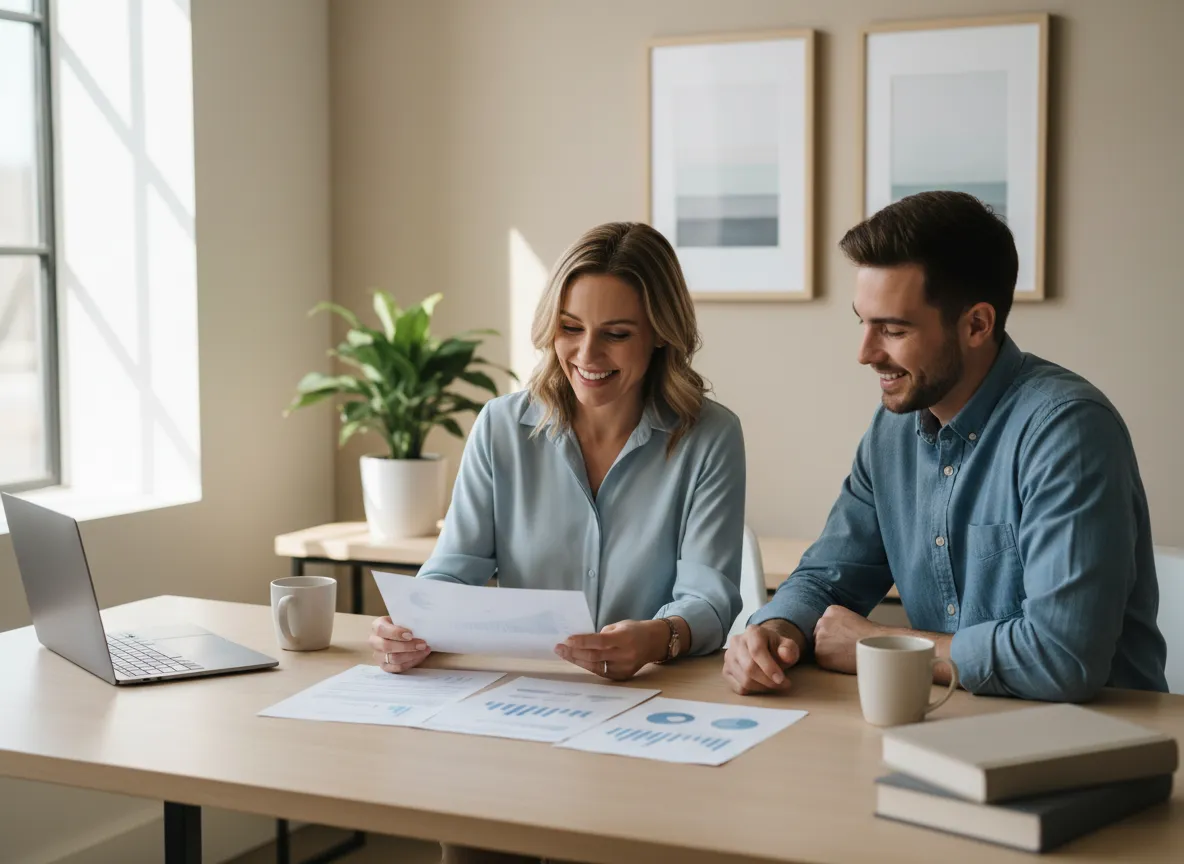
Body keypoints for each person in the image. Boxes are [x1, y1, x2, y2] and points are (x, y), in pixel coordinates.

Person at [724, 191, 1168, 703]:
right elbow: (828, 577)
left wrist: (882, 645)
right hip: (957, 724)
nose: (865, 353)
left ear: (977, 324)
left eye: (893, 329)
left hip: (1101, 745)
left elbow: (1062, 659)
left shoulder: (1068, 433)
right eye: (862, 322)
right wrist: (775, 631)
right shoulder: (893, 431)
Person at [368, 220, 745, 680]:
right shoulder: (500, 427)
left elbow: (709, 599)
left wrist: (656, 637)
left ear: (661, 333)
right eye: (571, 327)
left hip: (659, 691)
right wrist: (411, 625)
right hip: (529, 691)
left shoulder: (710, 437)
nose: (587, 355)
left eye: (617, 334)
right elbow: (453, 569)